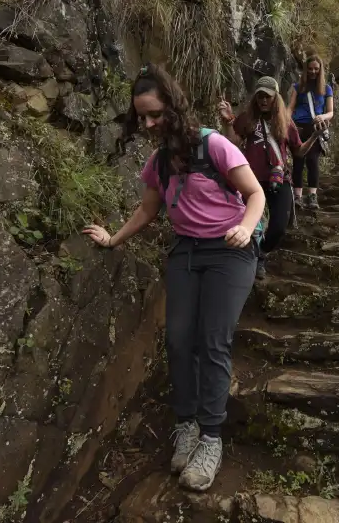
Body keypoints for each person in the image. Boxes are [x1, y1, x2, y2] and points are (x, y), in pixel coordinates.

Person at [83, 64, 265, 492]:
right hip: (186, 251)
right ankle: (185, 425)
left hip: (230, 251)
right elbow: (148, 210)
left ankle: (211, 438)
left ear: (173, 107)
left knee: (212, 339)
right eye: (141, 117)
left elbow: (255, 192)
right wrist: (113, 240)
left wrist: (244, 226)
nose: (147, 124)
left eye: (154, 115)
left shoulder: (213, 145)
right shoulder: (159, 162)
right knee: (179, 340)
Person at [217, 76, 326, 279]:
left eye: (267, 96)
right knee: (245, 222)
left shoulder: (285, 122)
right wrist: (226, 122)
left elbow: (299, 151)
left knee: (278, 227)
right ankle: (244, 261)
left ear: (275, 97)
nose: (263, 100)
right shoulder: (246, 119)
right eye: (259, 96)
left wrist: (314, 137)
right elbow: (232, 143)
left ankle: (262, 253)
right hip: (251, 180)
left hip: (279, 179)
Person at [287, 55, 334, 210]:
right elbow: (290, 107)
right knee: (298, 161)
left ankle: (312, 196)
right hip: (298, 127)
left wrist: (322, 116)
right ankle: (298, 196)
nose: (313, 71)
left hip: (316, 127)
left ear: (320, 70)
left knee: (312, 161)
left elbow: (331, 112)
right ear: (306, 69)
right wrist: (286, 121)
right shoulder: (298, 87)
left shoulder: (326, 88)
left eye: (316, 68)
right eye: (310, 68)